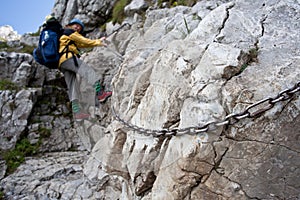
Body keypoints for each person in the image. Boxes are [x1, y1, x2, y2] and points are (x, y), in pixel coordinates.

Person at [58, 18, 112, 120]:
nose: (77, 28)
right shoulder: (70, 32)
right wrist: (98, 42)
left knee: (72, 86)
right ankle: (101, 94)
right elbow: (84, 41)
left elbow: (82, 44)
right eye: (76, 25)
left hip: (61, 63)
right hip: (69, 58)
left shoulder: (63, 34)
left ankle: (77, 112)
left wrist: (96, 42)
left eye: (79, 27)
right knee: (89, 72)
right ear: (70, 25)